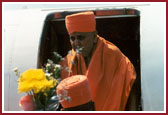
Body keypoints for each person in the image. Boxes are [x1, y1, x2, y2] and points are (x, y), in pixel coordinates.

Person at [60, 11, 136, 111]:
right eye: (72, 38)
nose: (76, 43)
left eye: (80, 37)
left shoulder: (112, 55)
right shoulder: (68, 60)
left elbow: (130, 89)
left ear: (94, 36)